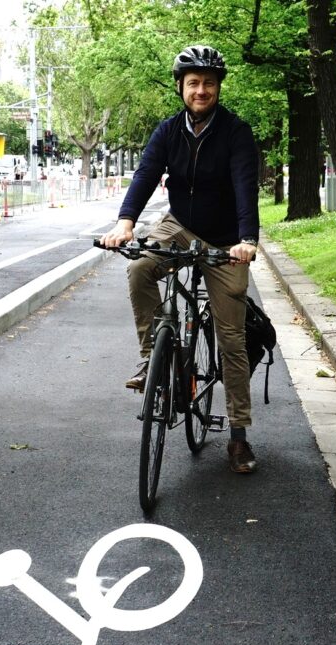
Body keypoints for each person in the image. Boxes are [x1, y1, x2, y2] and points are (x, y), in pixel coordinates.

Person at [99, 45, 260, 474]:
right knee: (140, 268)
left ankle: (240, 436)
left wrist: (246, 239)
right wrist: (125, 223)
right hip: (179, 225)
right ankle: (154, 356)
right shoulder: (168, 131)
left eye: (208, 82)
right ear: (181, 87)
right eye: (193, 83)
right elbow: (145, 175)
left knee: (232, 341)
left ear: (218, 87)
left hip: (226, 240)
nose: (201, 90)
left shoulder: (235, 132)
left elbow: (245, 186)